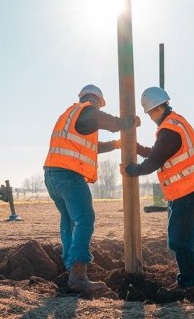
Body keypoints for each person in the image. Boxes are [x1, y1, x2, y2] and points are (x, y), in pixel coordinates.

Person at [44, 84, 139, 295]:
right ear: (96, 101)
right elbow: (112, 123)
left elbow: (88, 147)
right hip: (69, 176)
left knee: (69, 221)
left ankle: (70, 268)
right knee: (85, 219)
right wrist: (130, 122)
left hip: (52, 175)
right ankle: (78, 276)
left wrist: (114, 145)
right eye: (99, 105)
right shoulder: (87, 111)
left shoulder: (70, 115)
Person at [122, 86, 194, 297]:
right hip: (191, 187)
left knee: (179, 240)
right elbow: (160, 153)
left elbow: (153, 162)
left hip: (190, 190)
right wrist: (137, 148)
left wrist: (130, 170)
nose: (150, 117)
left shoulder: (169, 131)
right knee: (188, 236)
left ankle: (190, 285)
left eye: (149, 113)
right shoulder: (175, 123)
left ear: (156, 110)